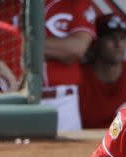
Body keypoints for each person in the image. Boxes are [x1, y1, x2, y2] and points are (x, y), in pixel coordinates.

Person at [40, 0, 96, 132]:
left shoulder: (76, 3)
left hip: (62, 100)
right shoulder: (12, 5)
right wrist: (57, 49)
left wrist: (26, 45)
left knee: (67, 150)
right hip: (21, 99)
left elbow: (77, 48)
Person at [78, 13, 126, 129]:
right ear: (96, 42)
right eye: (111, 38)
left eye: (122, 38)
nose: (118, 44)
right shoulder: (79, 77)